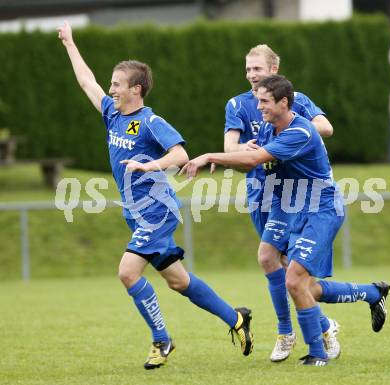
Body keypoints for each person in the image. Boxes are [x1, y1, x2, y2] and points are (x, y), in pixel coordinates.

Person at [57, 21, 254, 370]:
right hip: (137, 212)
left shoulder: (150, 121)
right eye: (112, 84)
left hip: (157, 211)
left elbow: (179, 155)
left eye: (117, 84)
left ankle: (162, 341)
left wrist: (150, 167)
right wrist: (70, 44)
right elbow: (87, 81)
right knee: (179, 281)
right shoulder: (111, 114)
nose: (111, 89)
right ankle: (236, 319)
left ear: (137, 89)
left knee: (128, 272)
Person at [182, 75, 390, 366]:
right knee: (273, 261)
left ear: (283, 102)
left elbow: (255, 160)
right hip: (287, 205)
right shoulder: (269, 128)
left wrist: (207, 156)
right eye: (257, 100)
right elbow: (257, 162)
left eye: (264, 101)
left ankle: (317, 352)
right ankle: (369, 294)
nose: (258, 106)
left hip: (321, 209)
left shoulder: (300, 132)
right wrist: (236, 155)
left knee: (296, 282)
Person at [224, 44, 338, 362]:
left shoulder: (293, 101)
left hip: (298, 194)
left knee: (296, 274)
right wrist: (243, 150)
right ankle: (291, 332)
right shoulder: (236, 104)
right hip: (263, 194)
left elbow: (325, 128)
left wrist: (284, 133)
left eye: (257, 69)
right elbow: (230, 148)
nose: (251, 75)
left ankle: (319, 331)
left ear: (274, 70)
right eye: (247, 69)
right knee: (270, 260)